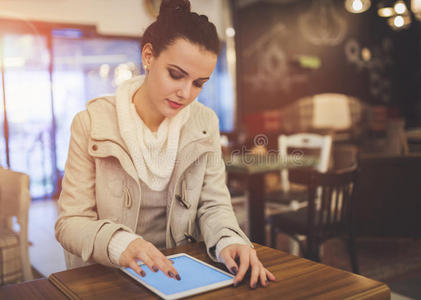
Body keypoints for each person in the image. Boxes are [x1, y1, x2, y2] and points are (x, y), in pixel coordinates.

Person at [55, 0, 275, 289]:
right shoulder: (92, 124)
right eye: (176, 74)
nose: (185, 93)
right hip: (108, 277)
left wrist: (229, 239)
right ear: (148, 56)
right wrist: (120, 243)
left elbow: (214, 203)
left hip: (179, 275)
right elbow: (70, 223)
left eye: (199, 83)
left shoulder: (204, 122)